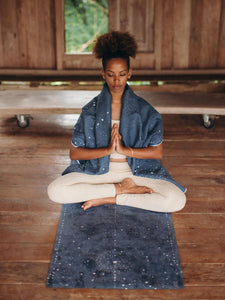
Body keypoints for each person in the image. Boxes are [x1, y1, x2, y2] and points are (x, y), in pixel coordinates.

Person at [47, 31, 186, 212]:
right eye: (111, 74)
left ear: (129, 73)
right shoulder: (90, 111)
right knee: (54, 191)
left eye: (121, 74)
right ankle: (121, 190)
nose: (116, 80)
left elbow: (156, 153)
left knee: (176, 200)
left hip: (136, 173)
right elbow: (75, 153)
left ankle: (109, 198)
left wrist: (123, 150)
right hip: (97, 171)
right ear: (103, 74)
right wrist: (107, 150)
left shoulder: (146, 111)